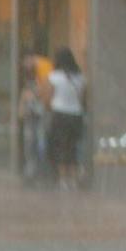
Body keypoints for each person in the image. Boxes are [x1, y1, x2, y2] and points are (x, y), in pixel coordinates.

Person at [44, 47, 86, 190]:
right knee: (72, 147)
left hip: (59, 114)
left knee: (60, 146)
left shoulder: (54, 77)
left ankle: (63, 179)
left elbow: (48, 98)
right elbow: (82, 99)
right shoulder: (80, 78)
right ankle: (73, 179)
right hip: (76, 115)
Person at [18, 57, 47, 186]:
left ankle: (35, 174)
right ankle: (31, 173)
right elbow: (23, 103)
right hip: (31, 120)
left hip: (38, 120)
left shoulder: (40, 84)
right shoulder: (28, 87)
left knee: (36, 146)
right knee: (30, 147)